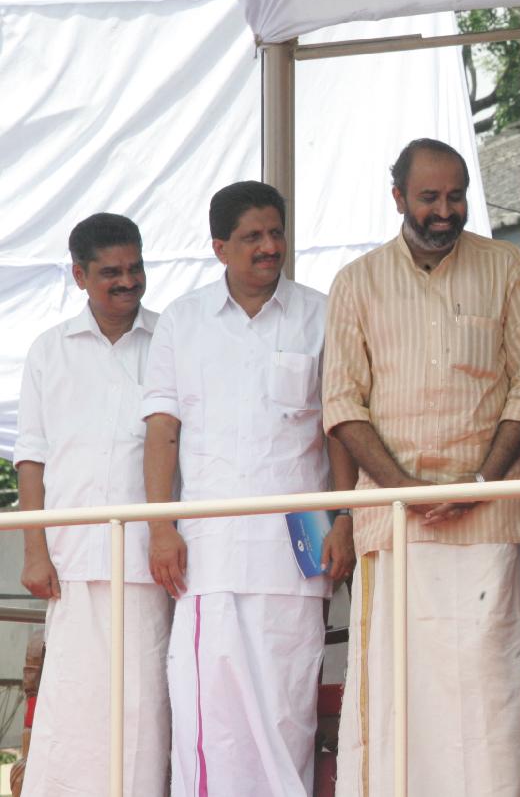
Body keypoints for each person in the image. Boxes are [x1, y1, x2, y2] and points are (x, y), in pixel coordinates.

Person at [323, 138, 520, 796]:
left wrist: (477, 485)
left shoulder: (506, 266)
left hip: (486, 518)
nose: (445, 210)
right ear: (398, 197)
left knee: (483, 686)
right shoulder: (357, 281)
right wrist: (405, 491)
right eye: (429, 197)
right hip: (394, 522)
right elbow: (342, 403)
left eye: (456, 196)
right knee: (398, 690)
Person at [142, 181, 356, 796]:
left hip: (296, 553)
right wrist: (160, 527)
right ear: (219, 247)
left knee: (288, 711)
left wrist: (345, 518)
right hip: (207, 554)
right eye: (252, 237)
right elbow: (162, 432)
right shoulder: (184, 321)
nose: (269, 247)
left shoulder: (322, 314)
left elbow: (340, 428)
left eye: (276, 233)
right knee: (208, 715)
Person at [15, 213, 169, 796]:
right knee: (73, 708)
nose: (128, 281)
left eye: (135, 268)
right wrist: (35, 551)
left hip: (151, 560)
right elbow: (32, 458)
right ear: (80, 275)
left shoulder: (171, 340)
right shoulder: (49, 351)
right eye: (111, 272)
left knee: (144, 708)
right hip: (73, 560)